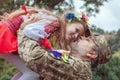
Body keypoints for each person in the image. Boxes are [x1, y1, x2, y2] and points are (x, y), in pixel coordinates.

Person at [0, 7, 40, 80]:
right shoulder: (30, 19)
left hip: (4, 40)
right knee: (33, 73)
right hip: (5, 41)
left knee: (26, 71)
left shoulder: (22, 16)